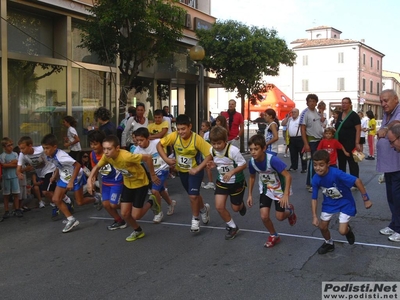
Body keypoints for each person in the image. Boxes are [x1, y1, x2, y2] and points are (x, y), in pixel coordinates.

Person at [87, 135, 161, 242]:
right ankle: (138, 231)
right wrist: (90, 179)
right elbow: (97, 167)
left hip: (141, 184)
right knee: (125, 214)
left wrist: (153, 175)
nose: (106, 152)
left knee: (136, 216)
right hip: (128, 184)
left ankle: (151, 201)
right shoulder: (106, 157)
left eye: (109, 149)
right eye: (104, 149)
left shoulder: (127, 156)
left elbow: (148, 158)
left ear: (117, 148)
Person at [156, 114, 212, 233]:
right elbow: (159, 145)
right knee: (194, 195)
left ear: (190, 127)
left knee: (192, 196)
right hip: (182, 172)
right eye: (179, 129)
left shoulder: (196, 139)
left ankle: (195, 220)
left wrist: (198, 168)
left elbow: (209, 154)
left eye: (183, 129)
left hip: (195, 171)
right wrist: (166, 159)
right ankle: (203, 209)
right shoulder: (174, 136)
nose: (181, 132)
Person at [311, 150, 372, 254]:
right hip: (329, 203)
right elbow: (314, 198)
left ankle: (348, 230)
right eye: (315, 165)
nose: (318, 168)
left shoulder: (337, 173)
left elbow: (357, 181)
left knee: (342, 231)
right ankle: (329, 243)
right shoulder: (316, 178)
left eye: (321, 165)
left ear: (328, 164)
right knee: (322, 227)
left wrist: (366, 199)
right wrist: (314, 216)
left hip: (345, 202)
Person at [41, 134, 102, 233]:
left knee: (80, 202)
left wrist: (71, 181)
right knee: (56, 199)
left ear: (55, 147)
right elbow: (58, 165)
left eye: (47, 148)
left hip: (76, 176)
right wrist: (55, 175)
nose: (45, 150)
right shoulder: (50, 156)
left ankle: (96, 198)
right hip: (64, 177)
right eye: (44, 148)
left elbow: (77, 165)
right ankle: (71, 219)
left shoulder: (62, 156)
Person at [246, 135, 297, 248]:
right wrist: (249, 194)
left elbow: (288, 176)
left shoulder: (272, 160)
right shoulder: (252, 162)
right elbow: (252, 177)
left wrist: (285, 194)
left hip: (280, 190)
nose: (253, 152)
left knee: (279, 217)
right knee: (264, 216)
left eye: (256, 149)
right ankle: (274, 235)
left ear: (263, 148)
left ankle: (290, 212)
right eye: (251, 149)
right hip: (266, 189)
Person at [207, 126, 247, 240]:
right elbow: (220, 163)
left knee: (235, 208)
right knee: (219, 207)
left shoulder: (233, 150)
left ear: (225, 141)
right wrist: (214, 165)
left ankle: (241, 205)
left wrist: (232, 172)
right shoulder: (212, 150)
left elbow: (244, 164)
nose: (216, 146)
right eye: (213, 143)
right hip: (222, 182)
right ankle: (233, 227)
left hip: (236, 182)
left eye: (219, 143)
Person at [133, 127, 176, 223]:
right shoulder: (137, 150)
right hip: (150, 172)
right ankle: (170, 203)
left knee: (154, 191)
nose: (139, 143)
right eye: (137, 140)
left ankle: (158, 212)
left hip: (162, 169)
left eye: (141, 140)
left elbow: (171, 143)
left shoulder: (157, 143)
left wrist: (171, 156)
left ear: (148, 138)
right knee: (160, 190)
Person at [87, 130, 126, 231]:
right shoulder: (92, 155)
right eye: (91, 144)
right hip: (104, 181)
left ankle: (130, 206)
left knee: (113, 204)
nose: (93, 146)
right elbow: (95, 168)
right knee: (105, 203)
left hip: (116, 181)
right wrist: (92, 179)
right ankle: (118, 220)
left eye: (95, 144)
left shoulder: (111, 154)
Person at [376, 89, 400, 242]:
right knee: (392, 197)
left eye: (386, 100)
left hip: (397, 164)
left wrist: (385, 128)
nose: (383, 104)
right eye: (381, 101)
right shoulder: (387, 113)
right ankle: (394, 224)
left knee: (398, 197)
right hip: (389, 165)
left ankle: (399, 228)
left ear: (396, 99)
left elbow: (396, 124)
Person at [300, 94, 324, 192]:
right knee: (313, 163)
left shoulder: (316, 113)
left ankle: (317, 182)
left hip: (319, 140)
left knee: (319, 162)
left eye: (314, 101)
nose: (312, 103)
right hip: (311, 141)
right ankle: (310, 183)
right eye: (310, 101)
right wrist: (306, 144)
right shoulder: (305, 113)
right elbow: (303, 129)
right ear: (307, 102)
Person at [334, 97, 361, 182]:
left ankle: (355, 182)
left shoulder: (354, 115)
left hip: (351, 143)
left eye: (346, 103)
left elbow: (358, 129)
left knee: (353, 163)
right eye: (343, 103)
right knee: (341, 163)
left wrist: (357, 143)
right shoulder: (340, 115)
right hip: (340, 143)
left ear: (350, 104)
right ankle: (343, 180)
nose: (344, 105)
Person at [0, 138, 22, 218]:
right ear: (4, 147)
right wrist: (11, 163)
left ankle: (17, 209)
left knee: (16, 193)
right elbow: (3, 166)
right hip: (6, 177)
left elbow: (17, 163)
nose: (11, 147)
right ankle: (6, 210)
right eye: (8, 145)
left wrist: (8, 164)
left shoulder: (15, 154)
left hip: (14, 176)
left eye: (11, 145)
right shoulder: (2, 156)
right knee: (6, 195)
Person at [282, 108, 307, 173]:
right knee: (293, 153)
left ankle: (304, 168)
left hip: (299, 138)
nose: (293, 113)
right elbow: (283, 123)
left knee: (302, 154)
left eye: (295, 112)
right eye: (292, 112)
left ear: (298, 113)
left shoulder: (300, 119)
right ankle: (294, 166)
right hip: (292, 138)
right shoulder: (290, 120)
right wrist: (287, 117)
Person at [199, 120, 215, 190]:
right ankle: (201, 181)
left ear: (208, 127)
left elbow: (204, 142)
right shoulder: (204, 133)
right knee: (203, 167)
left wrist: (201, 137)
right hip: (203, 152)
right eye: (201, 126)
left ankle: (211, 182)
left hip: (207, 153)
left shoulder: (207, 134)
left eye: (203, 126)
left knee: (207, 167)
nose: (202, 127)